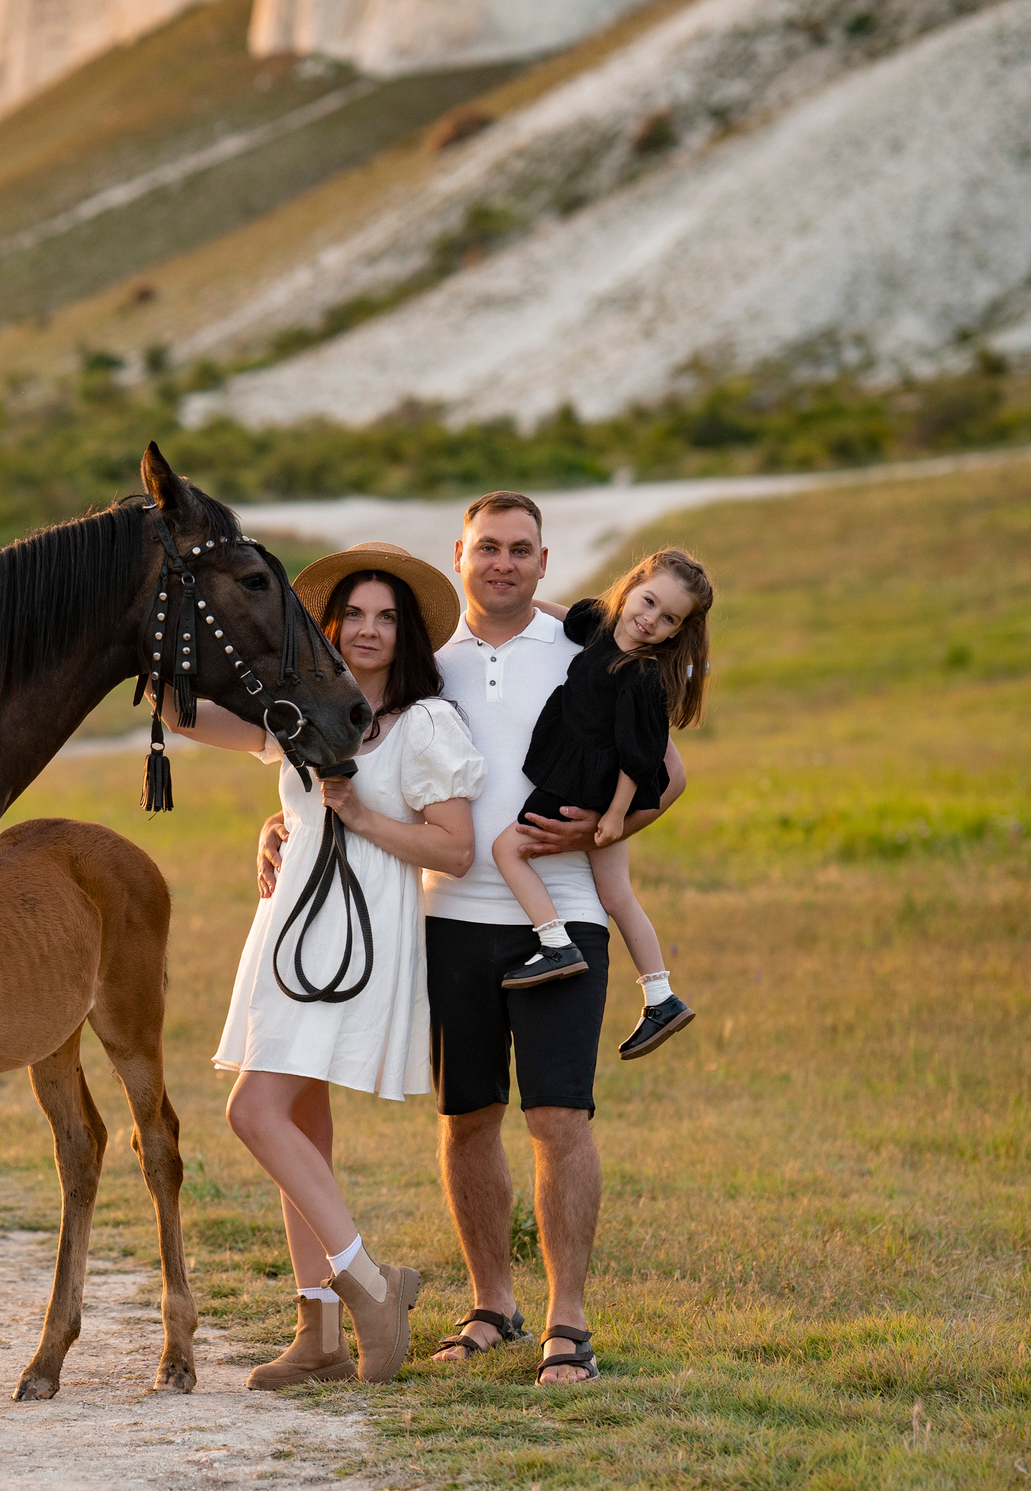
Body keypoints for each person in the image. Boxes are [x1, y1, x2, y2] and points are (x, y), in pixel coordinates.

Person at [260, 495, 687, 1385]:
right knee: (466, 1121)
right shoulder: (432, 666)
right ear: (458, 555)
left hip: (561, 916)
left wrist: (598, 834)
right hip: (448, 918)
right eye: (487, 547)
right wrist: (276, 825)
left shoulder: (588, 645)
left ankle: (568, 1322)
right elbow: (356, 760)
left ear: (543, 561)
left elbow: (670, 774)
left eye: (520, 550)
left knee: (560, 1118)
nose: (503, 562)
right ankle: (492, 1302)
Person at [166, 544, 485, 1389]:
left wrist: (358, 812)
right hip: (288, 925)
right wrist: (165, 648)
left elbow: (454, 849)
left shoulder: (425, 724)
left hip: (362, 933)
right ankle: (319, 1332)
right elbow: (193, 720)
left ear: (404, 633)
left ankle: (371, 1281)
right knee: (301, 1124)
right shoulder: (303, 707)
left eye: (387, 617)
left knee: (253, 1110)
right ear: (329, 627)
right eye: (355, 616)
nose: (369, 631)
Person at [491, 548, 712, 1061]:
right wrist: (519, 605)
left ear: (678, 631)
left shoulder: (641, 675)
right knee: (616, 895)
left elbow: (639, 760)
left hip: (582, 784)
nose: (650, 619)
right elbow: (567, 615)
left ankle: (554, 942)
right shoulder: (602, 626)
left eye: (668, 619)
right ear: (632, 585)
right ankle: (661, 996)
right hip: (586, 778)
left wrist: (614, 817)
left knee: (506, 850)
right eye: (649, 601)